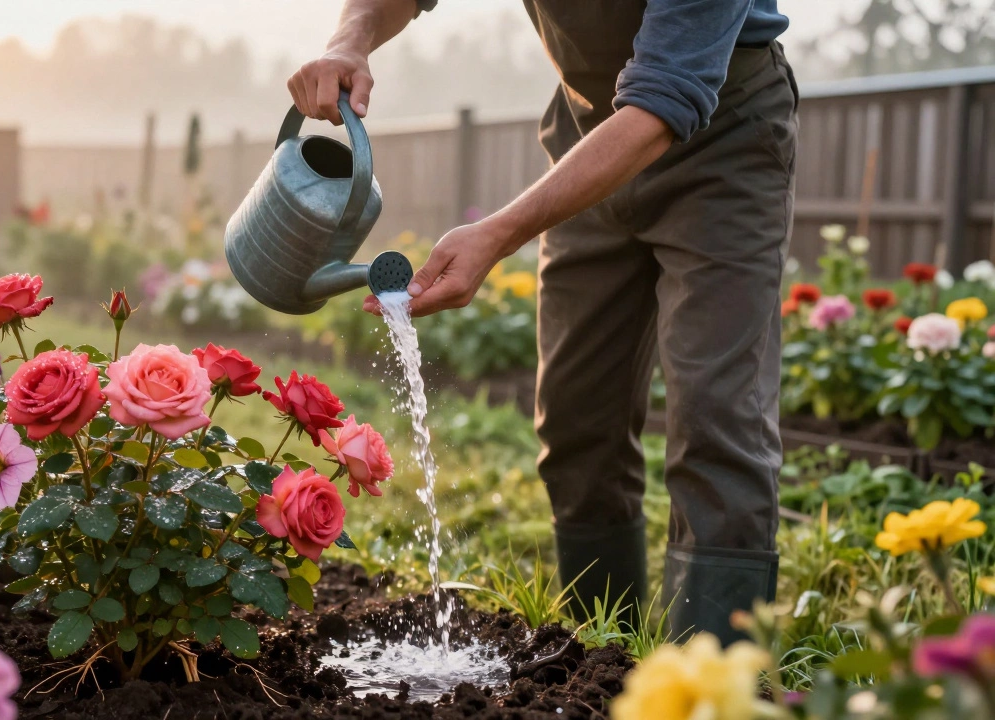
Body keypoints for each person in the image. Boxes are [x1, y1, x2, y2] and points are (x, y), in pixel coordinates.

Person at [288, 0, 797, 644]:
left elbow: (665, 101)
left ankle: (714, 686)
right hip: (588, 139)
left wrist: (500, 234)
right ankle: (601, 660)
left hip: (721, 146)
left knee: (718, 423)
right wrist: (349, 40)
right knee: (578, 422)